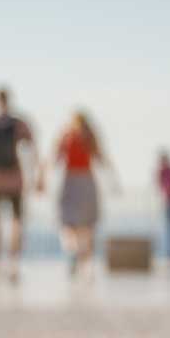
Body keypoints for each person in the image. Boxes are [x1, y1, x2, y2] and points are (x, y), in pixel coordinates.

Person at [0, 86, 39, 279]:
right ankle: (6, 265)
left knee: (5, 224)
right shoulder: (13, 123)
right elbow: (32, 146)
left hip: (1, 178)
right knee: (7, 223)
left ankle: (3, 264)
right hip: (7, 177)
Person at [53, 110, 117, 277]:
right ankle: (86, 263)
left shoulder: (67, 135)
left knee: (68, 222)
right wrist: (113, 180)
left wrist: (41, 178)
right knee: (87, 226)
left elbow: (55, 157)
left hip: (70, 181)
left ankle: (73, 248)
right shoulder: (89, 137)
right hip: (86, 181)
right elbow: (102, 158)